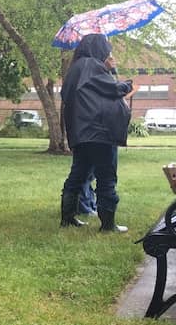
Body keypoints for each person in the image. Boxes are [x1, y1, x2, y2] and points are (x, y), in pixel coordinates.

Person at [59, 34, 135, 232]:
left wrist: (107, 70)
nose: (107, 53)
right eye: (105, 49)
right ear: (97, 49)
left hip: (80, 133)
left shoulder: (75, 69)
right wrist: (128, 83)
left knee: (78, 174)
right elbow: (112, 89)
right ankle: (108, 225)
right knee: (106, 176)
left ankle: (67, 218)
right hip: (99, 132)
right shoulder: (91, 65)